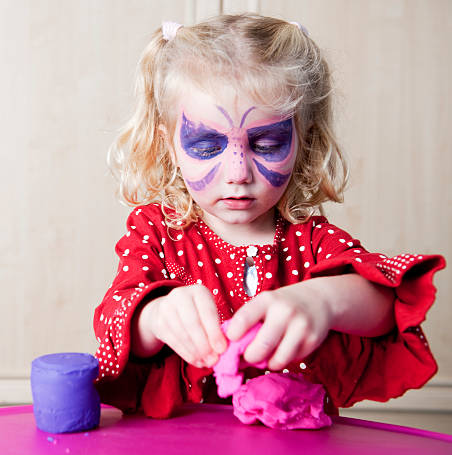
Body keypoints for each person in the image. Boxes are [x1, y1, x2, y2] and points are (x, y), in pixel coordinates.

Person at [93, 14, 445, 419]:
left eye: (267, 142)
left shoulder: (311, 242)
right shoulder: (157, 233)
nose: (238, 172)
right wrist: (155, 315)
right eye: (207, 145)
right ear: (169, 145)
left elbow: (386, 304)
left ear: (303, 141)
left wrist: (324, 300)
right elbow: (114, 323)